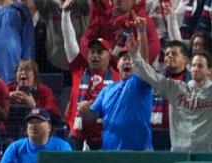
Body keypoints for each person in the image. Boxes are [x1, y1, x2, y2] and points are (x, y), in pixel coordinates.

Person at [128, 30, 212, 152]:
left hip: (211, 154)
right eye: (193, 65)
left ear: (210, 71)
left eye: (200, 66)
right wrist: (135, 55)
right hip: (180, 153)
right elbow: (150, 75)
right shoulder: (176, 89)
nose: (195, 69)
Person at [79, 28, 153, 151]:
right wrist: (84, 111)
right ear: (117, 64)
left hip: (139, 154)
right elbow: (92, 116)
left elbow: (144, 63)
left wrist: (142, 31)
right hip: (109, 152)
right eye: (124, 59)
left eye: (131, 59)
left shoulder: (140, 83)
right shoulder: (107, 90)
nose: (127, 61)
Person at [62, 0, 120, 150]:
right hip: (77, 136)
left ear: (109, 56)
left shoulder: (117, 78)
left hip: (105, 136)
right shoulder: (78, 70)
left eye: (100, 52)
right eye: (92, 51)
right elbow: (69, 43)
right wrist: (65, 14)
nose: (95, 55)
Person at [0, 107, 71, 163]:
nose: (33, 125)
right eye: (31, 122)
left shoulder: (62, 147)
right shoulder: (15, 148)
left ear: (49, 127)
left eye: (38, 122)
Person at [80, 0, 161, 65]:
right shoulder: (103, 17)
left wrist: (133, 63)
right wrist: (96, 57)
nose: (118, 0)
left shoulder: (141, 19)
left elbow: (154, 45)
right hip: (106, 71)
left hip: (132, 71)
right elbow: (85, 40)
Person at [8, 59, 62, 126]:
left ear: (35, 76)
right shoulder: (8, 89)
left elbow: (55, 119)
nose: (23, 72)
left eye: (27, 70)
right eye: (20, 70)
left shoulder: (45, 92)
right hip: (11, 130)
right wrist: (6, 98)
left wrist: (33, 107)